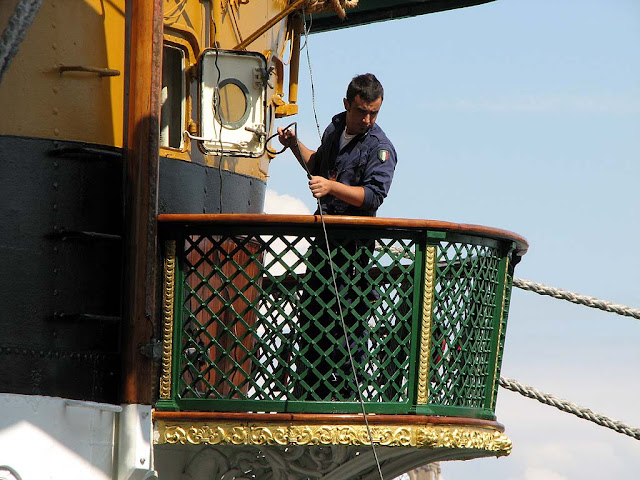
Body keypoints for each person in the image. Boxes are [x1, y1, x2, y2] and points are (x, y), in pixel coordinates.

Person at [277, 73, 397, 400]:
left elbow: (372, 196)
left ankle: (345, 399)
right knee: (314, 318)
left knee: (349, 325)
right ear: (347, 105)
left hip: (353, 251)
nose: (368, 119)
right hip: (323, 246)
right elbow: (317, 164)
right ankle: (310, 393)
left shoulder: (380, 148)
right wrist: (292, 146)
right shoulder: (334, 129)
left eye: (374, 113)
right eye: (362, 111)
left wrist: (331, 188)